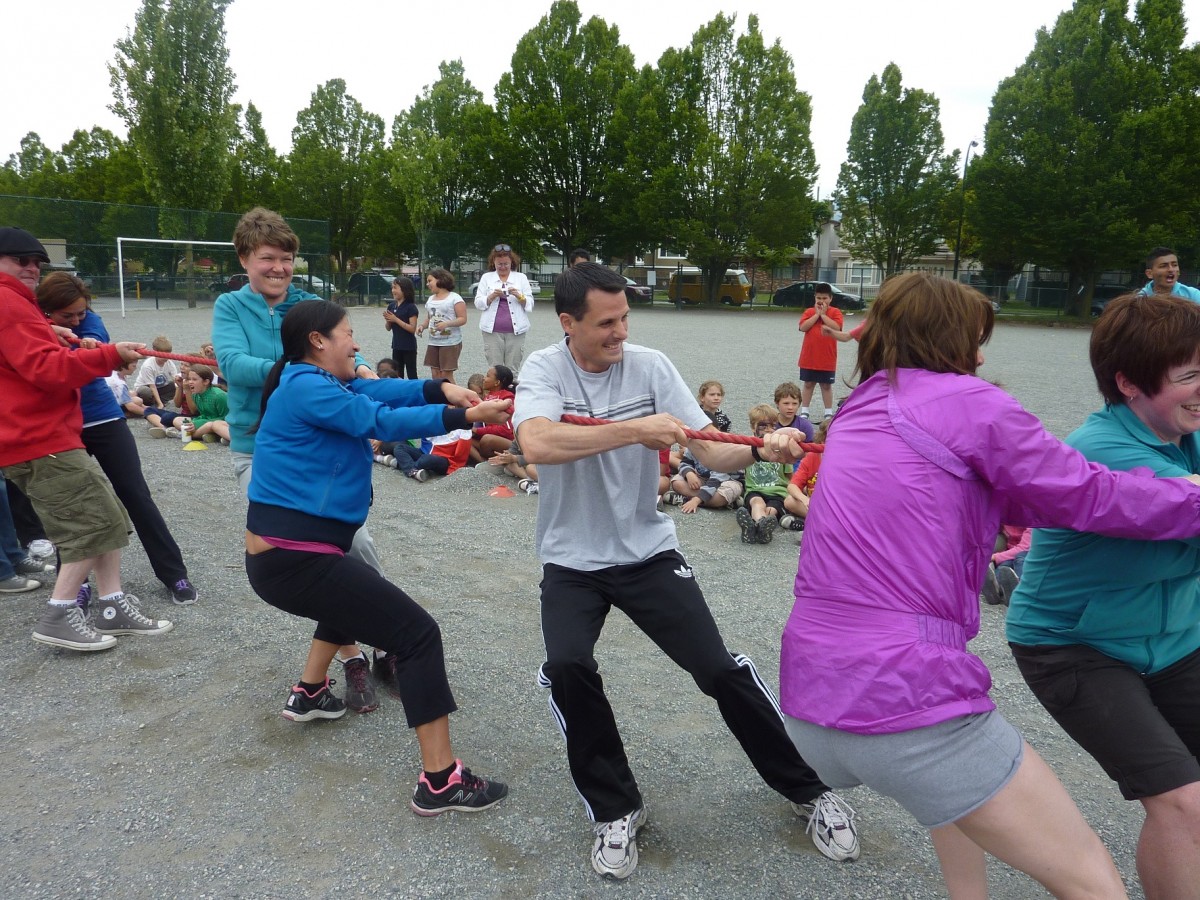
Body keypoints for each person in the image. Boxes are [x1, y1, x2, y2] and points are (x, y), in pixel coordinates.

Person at [776, 272, 1200, 899]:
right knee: (1092, 882)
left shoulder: (861, 406)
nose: (979, 357)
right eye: (976, 340)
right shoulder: (968, 402)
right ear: (949, 338)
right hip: (904, 698)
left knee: (958, 796)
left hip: (809, 697)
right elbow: (1082, 493)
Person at [514, 262, 859, 881]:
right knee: (567, 666)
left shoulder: (649, 364)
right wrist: (635, 430)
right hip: (571, 560)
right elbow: (537, 443)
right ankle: (616, 809)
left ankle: (811, 791)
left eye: (624, 318)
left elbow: (708, 448)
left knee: (717, 669)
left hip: (647, 552)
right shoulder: (544, 369)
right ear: (568, 324)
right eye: (606, 323)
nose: (621, 333)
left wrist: (767, 444)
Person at [244, 298, 510, 814]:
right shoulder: (305, 387)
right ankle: (440, 781)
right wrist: (464, 414)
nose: (358, 342)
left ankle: (311, 690)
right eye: (348, 333)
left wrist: (440, 386)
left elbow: (375, 387)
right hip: (293, 558)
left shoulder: (317, 381)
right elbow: (375, 416)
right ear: (318, 341)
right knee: (416, 634)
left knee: (345, 600)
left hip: (291, 556)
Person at [1007, 292, 1200, 899]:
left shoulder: (1184, 433)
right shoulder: (1100, 453)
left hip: (1173, 640)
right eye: (1190, 376)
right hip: (1074, 645)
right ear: (1129, 383)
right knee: (1181, 802)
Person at [213, 207, 384, 711]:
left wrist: (361, 366)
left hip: (322, 449)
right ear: (245, 258)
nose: (279, 268)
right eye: (267, 258)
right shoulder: (231, 307)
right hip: (260, 447)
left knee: (359, 550)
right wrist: (307, 371)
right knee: (318, 561)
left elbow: (347, 350)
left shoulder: (310, 303)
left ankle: (379, 642)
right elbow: (233, 365)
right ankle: (350, 657)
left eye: (287, 258)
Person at [0, 227, 172, 651]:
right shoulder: (7, 302)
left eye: (37, 262)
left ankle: (111, 604)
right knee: (90, 527)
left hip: (47, 435)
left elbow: (29, 357)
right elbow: (47, 370)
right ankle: (59, 613)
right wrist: (110, 356)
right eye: (21, 260)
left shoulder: (20, 306)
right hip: (40, 440)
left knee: (107, 517)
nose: (32, 268)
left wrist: (51, 333)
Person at [37, 271, 198, 605]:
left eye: (82, 312)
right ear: (47, 309)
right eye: (69, 315)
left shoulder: (89, 321)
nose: (78, 319)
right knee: (73, 507)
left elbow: (93, 355)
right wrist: (53, 333)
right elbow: (39, 360)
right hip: (63, 424)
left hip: (103, 417)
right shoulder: (32, 324)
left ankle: (174, 574)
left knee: (136, 494)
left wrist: (84, 341)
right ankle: (76, 584)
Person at [736, 405, 793, 544]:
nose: (769, 430)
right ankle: (759, 528)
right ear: (752, 427)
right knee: (757, 503)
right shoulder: (747, 446)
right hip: (754, 490)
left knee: (771, 510)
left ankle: (757, 529)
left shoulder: (781, 447)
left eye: (772, 426)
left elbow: (790, 476)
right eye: (763, 426)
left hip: (778, 493)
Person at [473, 244, 533, 372]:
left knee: (513, 369)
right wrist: (491, 296)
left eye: (506, 263)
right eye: (499, 264)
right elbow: (478, 303)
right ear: (493, 262)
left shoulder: (520, 278)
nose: (503, 267)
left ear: (512, 262)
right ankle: (496, 392)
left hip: (516, 331)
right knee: (495, 369)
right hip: (492, 331)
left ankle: (511, 392)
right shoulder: (487, 278)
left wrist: (519, 296)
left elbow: (530, 304)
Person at [797, 284, 843, 420]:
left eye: (824, 298)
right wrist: (816, 315)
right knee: (808, 383)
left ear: (830, 298)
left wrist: (823, 315)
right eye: (818, 298)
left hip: (827, 357)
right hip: (809, 357)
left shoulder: (835, 312)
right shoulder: (809, 312)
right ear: (814, 298)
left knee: (826, 385)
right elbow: (803, 327)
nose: (821, 301)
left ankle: (828, 411)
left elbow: (837, 327)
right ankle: (804, 410)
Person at [417, 268, 467, 383]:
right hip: (433, 341)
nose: (427, 284)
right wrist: (422, 326)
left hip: (450, 342)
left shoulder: (455, 298)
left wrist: (447, 324)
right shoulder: (430, 299)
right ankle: (439, 397)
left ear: (440, 279)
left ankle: (454, 399)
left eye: (430, 280)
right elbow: (429, 318)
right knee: (435, 374)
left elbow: (463, 319)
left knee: (446, 374)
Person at [182, 364, 230, 443]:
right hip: (208, 421)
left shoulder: (219, 396)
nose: (190, 382)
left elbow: (227, 418)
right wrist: (195, 422)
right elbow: (205, 415)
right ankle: (214, 436)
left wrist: (197, 423)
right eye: (189, 379)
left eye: (194, 379)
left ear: (206, 381)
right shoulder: (195, 395)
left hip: (224, 424)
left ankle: (185, 435)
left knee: (212, 425)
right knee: (179, 420)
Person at [383, 276, 419, 378]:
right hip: (396, 345)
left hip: (408, 346)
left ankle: (414, 392)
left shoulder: (411, 307)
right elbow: (388, 328)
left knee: (411, 373)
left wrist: (395, 319)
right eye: (392, 288)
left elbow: (412, 329)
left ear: (404, 289)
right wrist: (388, 320)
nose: (393, 290)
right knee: (397, 373)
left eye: (395, 288)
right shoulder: (391, 306)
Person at [132, 335, 181, 407]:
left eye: (168, 354)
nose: (166, 357)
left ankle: (157, 401)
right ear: (155, 352)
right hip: (147, 388)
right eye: (163, 355)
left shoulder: (169, 363)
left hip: (160, 388)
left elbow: (176, 380)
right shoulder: (148, 365)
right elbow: (152, 387)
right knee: (145, 392)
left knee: (176, 385)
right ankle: (156, 402)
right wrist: (160, 404)